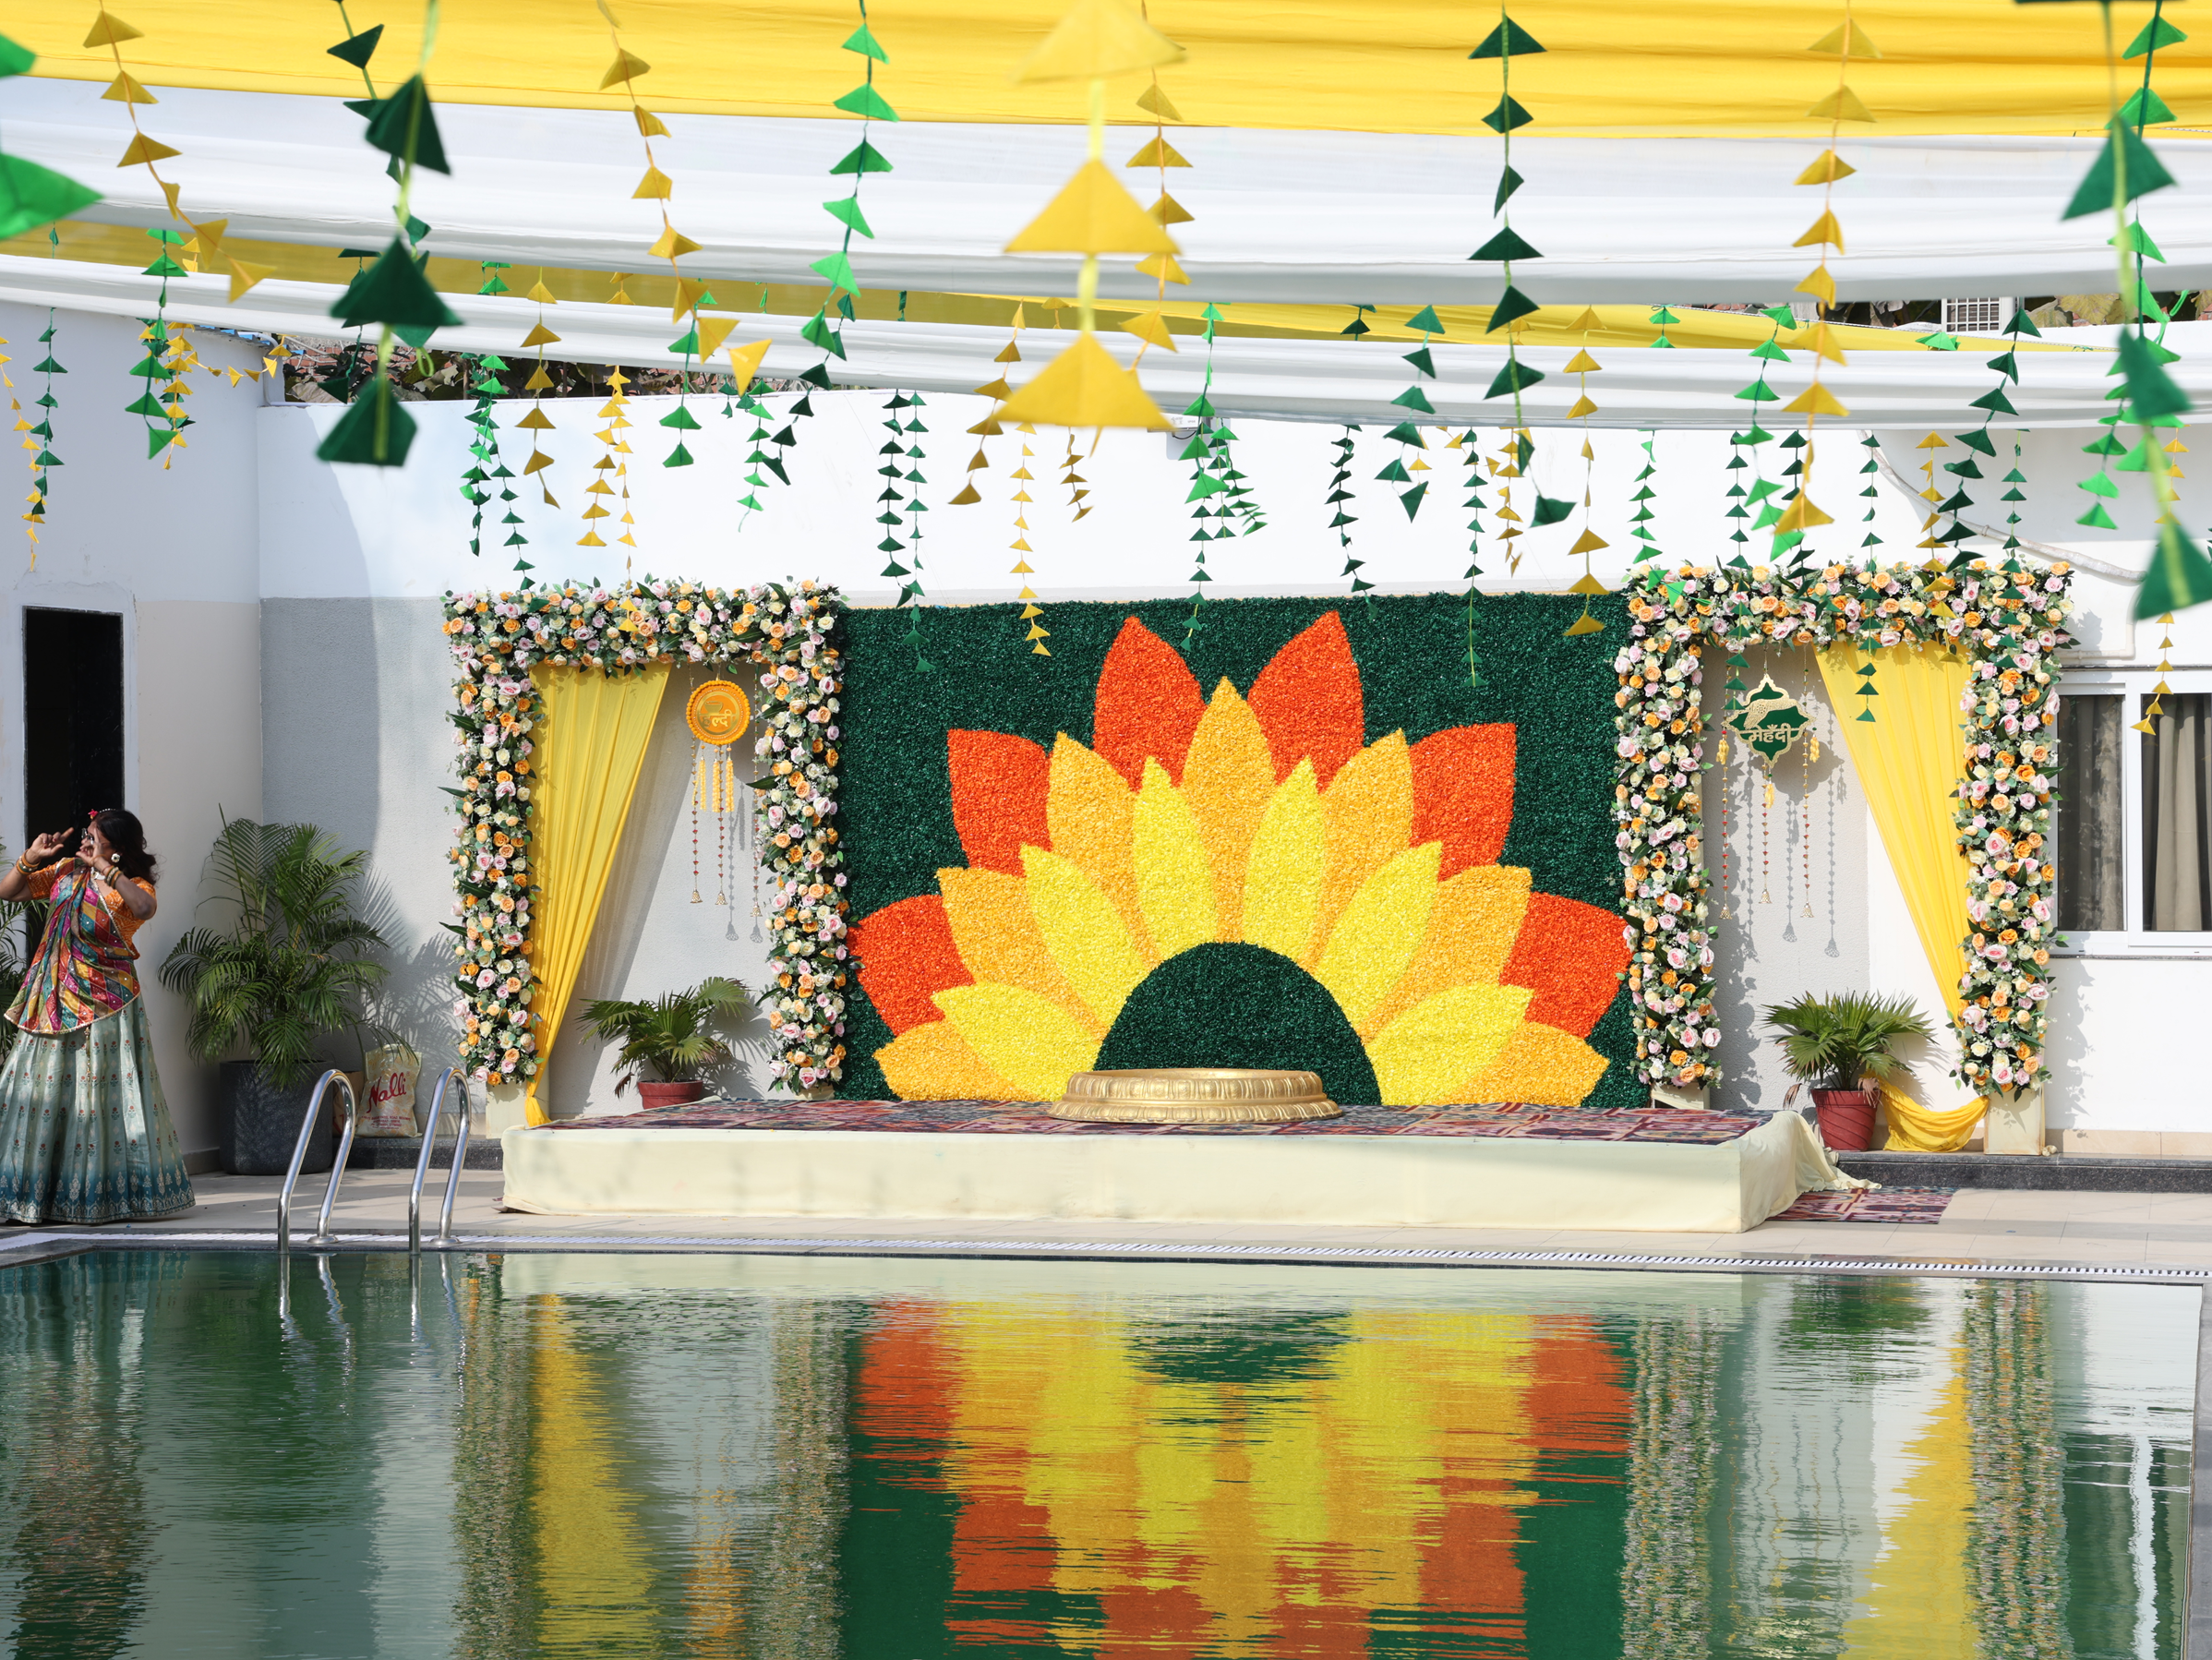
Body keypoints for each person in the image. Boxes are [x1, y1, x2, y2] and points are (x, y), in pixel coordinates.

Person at [0, 809, 193, 1223]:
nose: (85, 841)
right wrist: (31, 858)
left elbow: (144, 908)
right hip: (52, 997)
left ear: (117, 847)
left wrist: (106, 869)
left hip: (105, 1003)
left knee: (95, 1095)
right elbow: (10, 892)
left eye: (94, 835)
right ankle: (33, 1192)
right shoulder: (66, 871)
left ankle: (99, 1195)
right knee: (38, 1089)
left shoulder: (131, 885)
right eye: (86, 834)